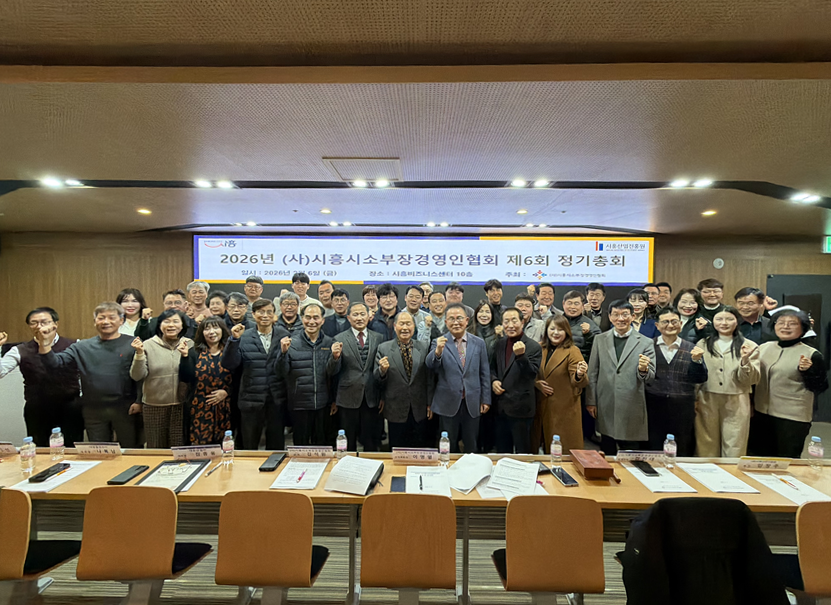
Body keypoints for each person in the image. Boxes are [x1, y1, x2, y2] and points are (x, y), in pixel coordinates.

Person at [37, 302, 140, 447]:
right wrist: (44, 343)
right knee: (98, 451)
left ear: (121, 320)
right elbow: (55, 364)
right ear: (95, 321)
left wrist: (139, 400)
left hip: (126, 407)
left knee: (130, 450)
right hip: (93, 408)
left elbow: (142, 375)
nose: (106, 322)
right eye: (101, 318)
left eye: (111, 317)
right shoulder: (81, 347)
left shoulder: (133, 343)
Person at [751, 309, 828, 458]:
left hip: (792, 418)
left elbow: (820, 386)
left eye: (792, 324)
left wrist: (808, 371)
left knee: (786, 460)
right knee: (760, 457)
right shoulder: (763, 348)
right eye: (781, 323)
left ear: (803, 328)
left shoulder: (811, 354)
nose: (785, 327)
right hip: (761, 414)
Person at [0, 308, 83, 446]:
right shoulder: (20, 350)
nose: (39, 326)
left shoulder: (75, 344)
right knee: (39, 451)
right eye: (34, 323)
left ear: (55, 324)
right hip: (37, 408)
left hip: (70, 406)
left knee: (72, 449)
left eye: (44, 322)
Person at [586, 299, 656, 454]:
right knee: (607, 449)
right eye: (616, 314)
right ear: (610, 317)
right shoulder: (600, 339)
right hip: (606, 402)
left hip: (631, 402)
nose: (621, 319)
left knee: (631, 452)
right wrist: (591, 401)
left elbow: (650, 377)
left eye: (625, 314)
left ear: (632, 316)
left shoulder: (646, 342)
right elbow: (592, 373)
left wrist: (643, 370)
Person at [221, 299, 289, 450]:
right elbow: (229, 364)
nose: (265, 315)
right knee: (249, 444)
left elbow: (286, 367)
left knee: (276, 445)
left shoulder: (284, 335)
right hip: (251, 399)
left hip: (276, 399)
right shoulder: (243, 336)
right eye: (260, 312)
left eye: (269, 312)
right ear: (253, 314)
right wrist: (233, 340)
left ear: (274, 314)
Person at [695, 307, 760, 458]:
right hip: (707, 397)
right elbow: (696, 374)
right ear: (713, 322)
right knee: (706, 442)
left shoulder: (749, 346)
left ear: (737, 321)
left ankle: (732, 476)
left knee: (735, 442)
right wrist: (694, 398)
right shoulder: (702, 344)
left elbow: (752, 380)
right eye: (719, 319)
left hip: (737, 398)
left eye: (729, 319)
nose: (724, 323)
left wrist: (745, 360)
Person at [426, 303, 491, 453]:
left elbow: (484, 372)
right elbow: (430, 366)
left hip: (472, 401)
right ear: (446, 322)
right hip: (447, 402)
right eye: (452, 319)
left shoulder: (478, 343)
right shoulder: (438, 341)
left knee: (471, 445)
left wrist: (486, 399)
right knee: (448, 446)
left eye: (459, 318)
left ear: (467, 320)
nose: (456, 322)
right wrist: (438, 352)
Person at [644, 307, 708, 455]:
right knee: (653, 445)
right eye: (665, 322)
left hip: (683, 405)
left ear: (680, 324)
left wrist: (696, 362)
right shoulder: (647, 346)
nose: (670, 325)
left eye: (674, 321)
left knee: (683, 445)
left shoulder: (692, 348)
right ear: (657, 325)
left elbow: (700, 378)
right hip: (653, 402)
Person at [276, 303, 341, 446]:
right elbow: (281, 372)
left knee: (322, 445)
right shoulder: (290, 342)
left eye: (316, 318)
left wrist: (335, 357)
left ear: (322, 320)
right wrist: (283, 354)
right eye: (308, 317)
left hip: (323, 404)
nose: (312, 322)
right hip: (299, 404)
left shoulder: (330, 342)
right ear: (302, 318)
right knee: (301, 444)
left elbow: (333, 373)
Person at [130, 309, 193, 448]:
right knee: (156, 447)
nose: (171, 325)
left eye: (176, 321)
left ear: (183, 326)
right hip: (154, 405)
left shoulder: (189, 344)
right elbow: (137, 375)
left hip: (181, 405)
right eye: (166, 321)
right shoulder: (147, 345)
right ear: (159, 325)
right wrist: (139, 354)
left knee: (179, 447)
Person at [532, 315, 589, 455]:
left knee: (562, 453)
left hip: (563, 410)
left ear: (567, 332)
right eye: (552, 329)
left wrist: (579, 374)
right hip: (540, 407)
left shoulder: (572, 350)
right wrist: (536, 383)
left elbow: (580, 381)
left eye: (560, 330)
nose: (555, 333)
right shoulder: (539, 348)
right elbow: (531, 372)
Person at [374, 313, 432, 448]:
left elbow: (429, 378)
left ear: (414, 326)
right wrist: (382, 371)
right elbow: (376, 380)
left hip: (419, 407)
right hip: (395, 407)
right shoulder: (384, 348)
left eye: (408, 324)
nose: (405, 327)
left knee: (419, 449)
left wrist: (430, 403)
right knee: (398, 449)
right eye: (401, 324)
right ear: (395, 326)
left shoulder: (423, 347)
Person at [332, 302, 383, 451]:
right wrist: (334, 358)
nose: (359, 318)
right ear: (348, 318)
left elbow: (382, 369)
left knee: (371, 441)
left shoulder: (379, 338)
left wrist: (383, 397)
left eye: (362, 314)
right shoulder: (339, 338)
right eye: (355, 314)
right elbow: (333, 372)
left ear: (369, 316)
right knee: (348, 441)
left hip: (372, 396)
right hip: (347, 397)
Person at [491, 307, 543, 454]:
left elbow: (531, 374)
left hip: (521, 409)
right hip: (500, 407)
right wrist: (493, 380)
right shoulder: (500, 343)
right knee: (502, 451)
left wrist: (521, 357)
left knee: (523, 452)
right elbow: (492, 368)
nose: (510, 325)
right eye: (506, 321)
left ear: (523, 321)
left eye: (514, 320)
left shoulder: (533, 346)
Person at [179, 317, 233, 445]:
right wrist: (185, 357)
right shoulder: (194, 352)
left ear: (222, 330)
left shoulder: (231, 351)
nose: (211, 332)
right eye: (207, 329)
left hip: (227, 407)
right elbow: (186, 378)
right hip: (200, 407)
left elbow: (240, 377)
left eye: (215, 328)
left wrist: (226, 392)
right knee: (201, 447)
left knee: (225, 445)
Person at [561, 290, 601, 361]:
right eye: (569, 303)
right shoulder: (555, 322)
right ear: (563, 304)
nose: (572, 307)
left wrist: (588, 334)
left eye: (576, 304)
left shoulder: (590, 324)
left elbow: (599, 346)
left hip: (580, 363)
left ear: (582, 306)